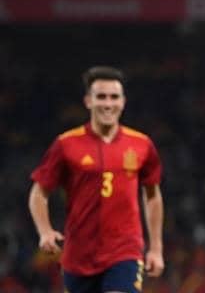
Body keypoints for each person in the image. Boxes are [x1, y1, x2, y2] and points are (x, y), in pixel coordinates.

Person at [28, 66, 164, 293]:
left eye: (114, 97)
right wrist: (45, 231)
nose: (108, 104)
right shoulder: (66, 144)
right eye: (101, 97)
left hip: (125, 251)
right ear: (88, 101)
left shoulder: (142, 145)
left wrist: (156, 248)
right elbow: (38, 193)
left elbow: (152, 196)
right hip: (78, 256)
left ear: (123, 102)